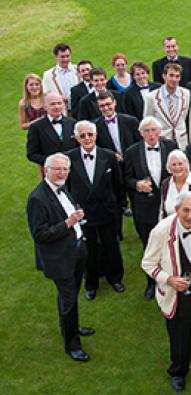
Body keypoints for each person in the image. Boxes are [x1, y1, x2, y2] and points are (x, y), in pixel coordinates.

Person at [141, 191, 191, 391]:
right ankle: (178, 371)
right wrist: (169, 279)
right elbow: (147, 263)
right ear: (176, 210)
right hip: (176, 290)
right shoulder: (160, 231)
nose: (190, 215)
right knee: (180, 333)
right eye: (186, 210)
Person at [26, 153, 93, 362]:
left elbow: (68, 210)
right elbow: (40, 235)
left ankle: (71, 326)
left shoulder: (62, 188)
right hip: (60, 258)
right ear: (46, 170)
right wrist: (68, 223)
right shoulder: (37, 198)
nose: (62, 173)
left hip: (77, 250)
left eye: (65, 169)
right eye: (58, 169)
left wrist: (77, 213)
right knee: (68, 299)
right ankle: (72, 345)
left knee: (71, 296)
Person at [65, 121, 124, 300]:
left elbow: (118, 184)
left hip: (107, 210)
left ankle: (115, 278)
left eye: (90, 134)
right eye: (82, 136)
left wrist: (119, 206)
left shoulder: (108, 156)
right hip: (84, 214)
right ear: (76, 138)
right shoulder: (69, 158)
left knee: (111, 245)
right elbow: (66, 188)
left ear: (96, 135)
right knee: (88, 250)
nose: (87, 138)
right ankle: (91, 283)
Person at [124, 116, 178, 299]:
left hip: (168, 205)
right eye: (147, 131)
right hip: (144, 207)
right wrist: (137, 184)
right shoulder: (131, 152)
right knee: (149, 244)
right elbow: (126, 178)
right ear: (141, 133)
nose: (151, 134)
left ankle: (173, 278)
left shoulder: (171, 147)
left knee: (171, 242)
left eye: (154, 130)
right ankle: (151, 283)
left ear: (160, 131)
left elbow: (179, 171)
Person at [143, 63, 191, 149]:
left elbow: (183, 117)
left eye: (177, 76)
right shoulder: (151, 97)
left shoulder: (186, 93)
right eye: (171, 75)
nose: (174, 79)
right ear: (164, 76)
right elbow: (148, 121)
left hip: (182, 141)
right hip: (162, 140)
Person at [26, 92, 77, 167]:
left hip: (73, 169)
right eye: (52, 104)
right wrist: (51, 162)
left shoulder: (72, 122)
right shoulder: (36, 127)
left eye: (59, 103)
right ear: (45, 106)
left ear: (64, 105)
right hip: (50, 171)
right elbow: (32, 154)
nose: (57, 106)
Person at [160, 150, 191, 218]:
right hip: (171, 227)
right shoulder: (165, 184)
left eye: (180, 164)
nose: (177, 167)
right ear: (169, 167)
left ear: (187, 164)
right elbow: (162, 211)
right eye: (174, 164)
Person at [95, 91, 142, 160]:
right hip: (112, 164)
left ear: (114, 102)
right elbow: (99, 148)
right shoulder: (96, 125)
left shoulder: (131, 121)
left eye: (108, 104)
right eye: (102, 106)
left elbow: (140, 143)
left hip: (133, 161)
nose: (106, 108)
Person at [42, 43, 79, 110]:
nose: (65, 59)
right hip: (61, 111)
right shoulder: (48, 75)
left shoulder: (79, 70)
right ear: (56, 57)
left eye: (67, 56)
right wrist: (58, 98)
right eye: (62, 57)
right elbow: (45, 93)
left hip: (80, 109)